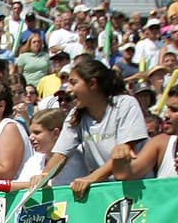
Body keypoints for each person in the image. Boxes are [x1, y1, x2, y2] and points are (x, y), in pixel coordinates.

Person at [38, 59, 149, 197]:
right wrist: (43, 176)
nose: (68, 89)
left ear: (92, 84)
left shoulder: (125, 104)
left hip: (139, 190)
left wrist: (91, 179)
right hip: (105, 192)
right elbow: (60, 155)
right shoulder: (74, 115)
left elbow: (124, 152)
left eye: (73, 82)